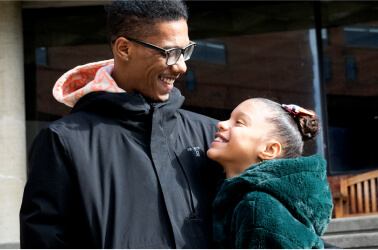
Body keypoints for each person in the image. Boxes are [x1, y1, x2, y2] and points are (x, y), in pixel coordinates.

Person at [19, 0, 223, 248]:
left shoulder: (212, 135)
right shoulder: (62, 142)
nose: (181, 66)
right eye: (169, 53)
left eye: (186, 51)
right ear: (124, 49)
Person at [207, 98, 334, 249]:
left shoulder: (258, 208)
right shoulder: (254, 200)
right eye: (229, 118)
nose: (221, 124)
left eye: (239, 122)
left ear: (269, 150)